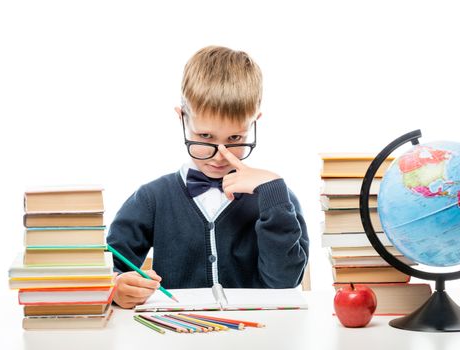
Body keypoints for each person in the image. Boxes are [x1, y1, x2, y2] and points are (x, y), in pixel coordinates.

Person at [107, 46, 309, 309]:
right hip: (178, 331)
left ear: (254, 122)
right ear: (182, 119)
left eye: (235, 138)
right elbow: (107, 266)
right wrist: (116, 286)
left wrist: (274, 199)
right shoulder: (152, 198)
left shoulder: (277, 200)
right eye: (205, 137)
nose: (220, 155)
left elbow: (285, 283)